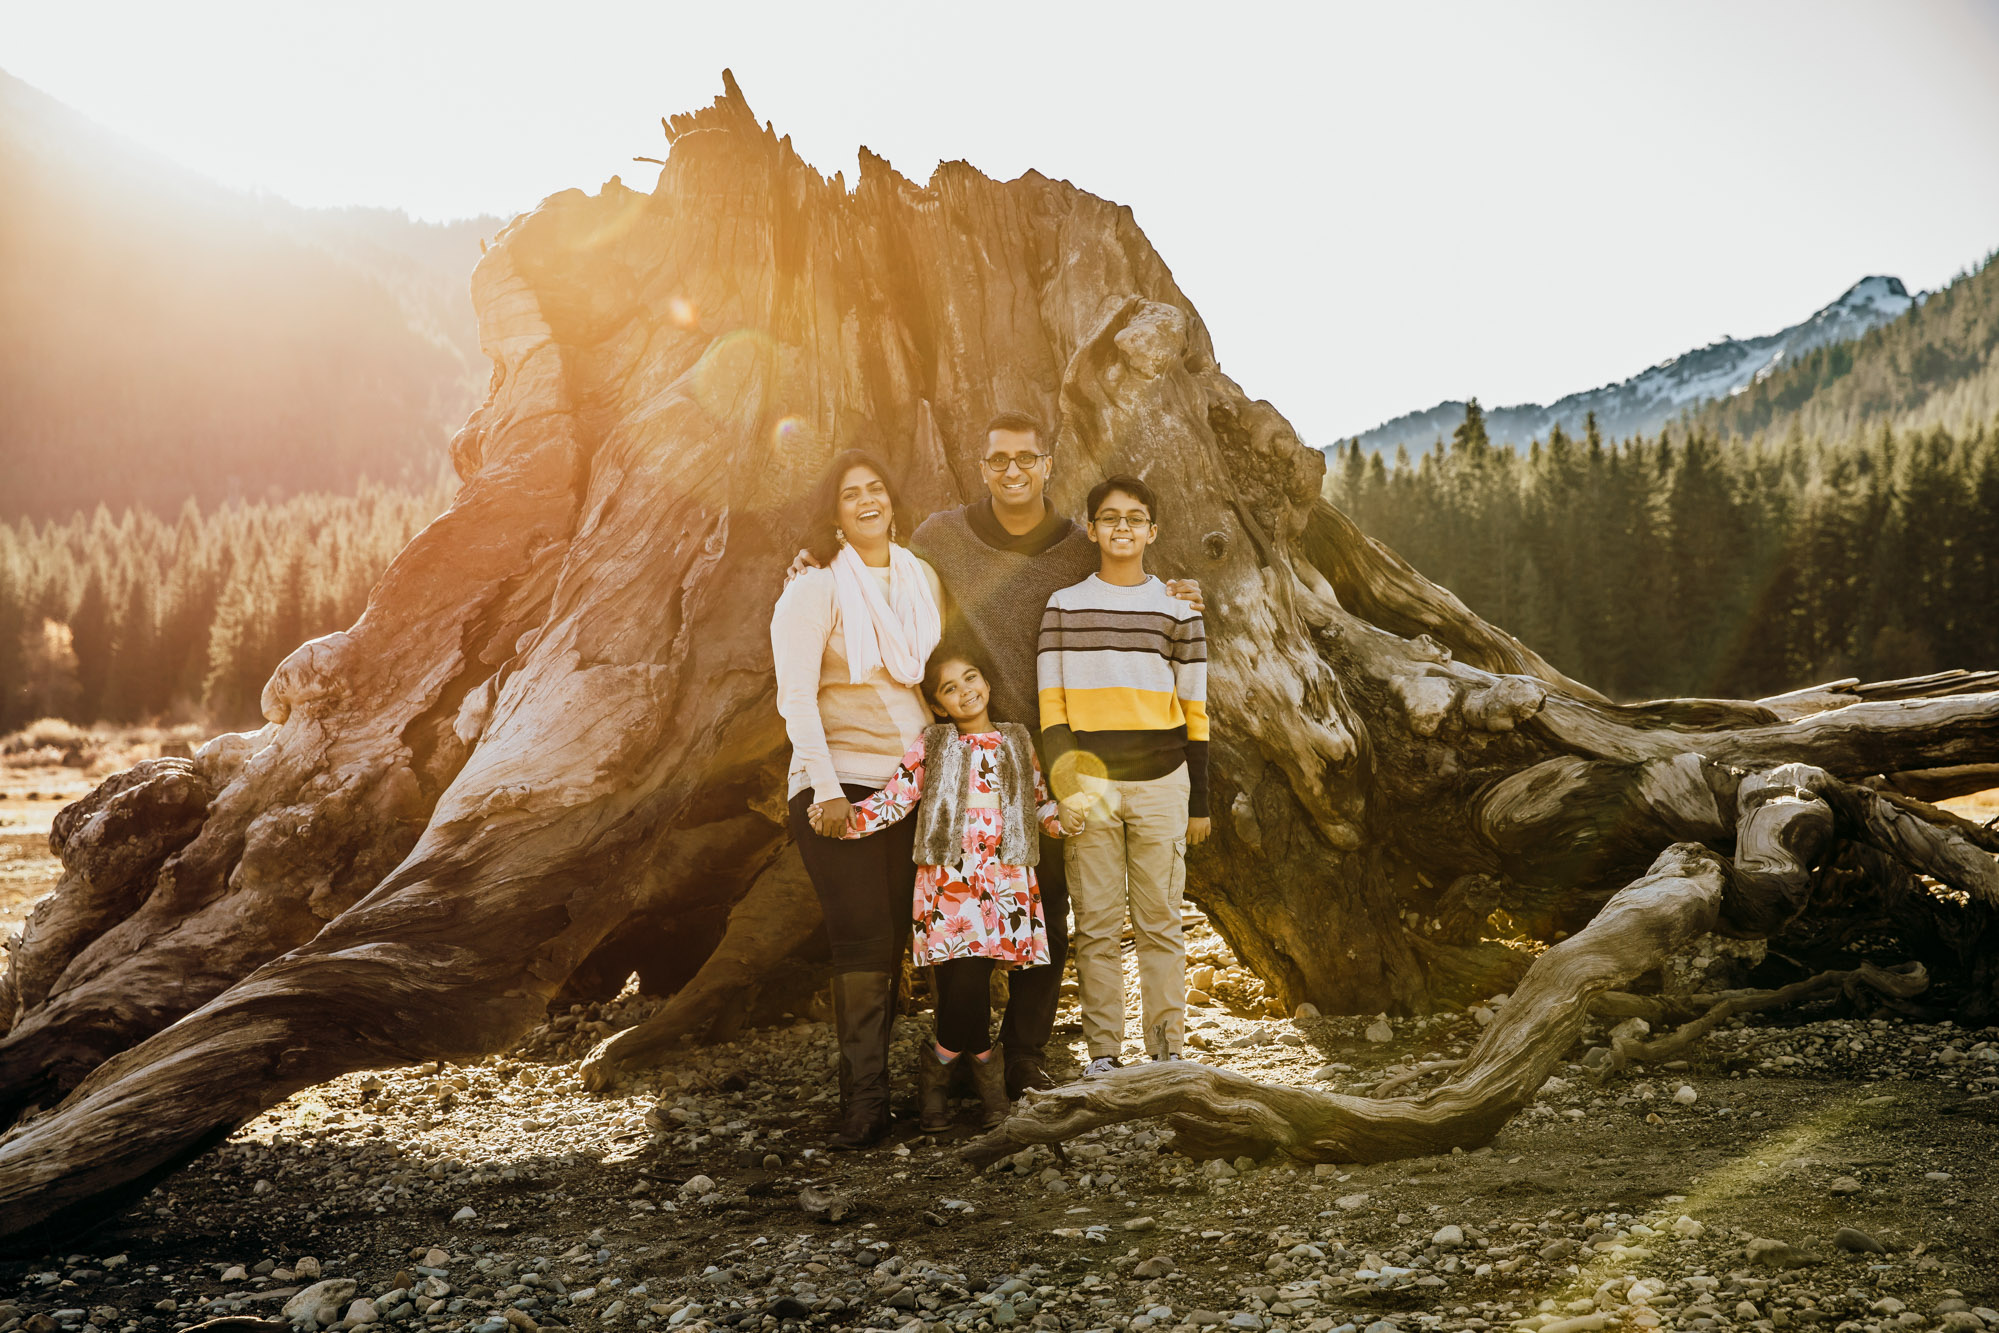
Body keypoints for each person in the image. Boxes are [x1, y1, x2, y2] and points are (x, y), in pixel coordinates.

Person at [790, 410, 1201, 1095]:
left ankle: (1027, 1049)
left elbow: (1125, 586)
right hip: (963, 759)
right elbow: (882, 573)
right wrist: (816, 564)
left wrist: (1183, 591)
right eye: (998, 459)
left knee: (1049, 903)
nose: (1013, 470)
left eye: (1026, 458)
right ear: (982, 468)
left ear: (1047, 464)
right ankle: (963, 1051)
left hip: (1050, 753)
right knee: (964, 918)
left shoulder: (1076, 546)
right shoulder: (939, 537)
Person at [819, 640, 1078, 1130]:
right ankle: (984, 1080)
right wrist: (845, 818)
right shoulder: (933, 745)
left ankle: (937, 1073)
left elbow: (1039, 804)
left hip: (1004, 880)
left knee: (976, 977)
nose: (965, 692)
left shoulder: (1018, 740)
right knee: (962, 980)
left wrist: (1062, 820)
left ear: (987, 682)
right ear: (938, 705)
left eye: (971, 678)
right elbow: (895, 799)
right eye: (950, 689)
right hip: (950, 880)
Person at [770, 449, 943, 1148]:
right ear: (833, 510)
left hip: (916, 784)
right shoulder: (812, 590)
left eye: (876, 487)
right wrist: (825, 787)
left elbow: (928, 679)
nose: (867, 500)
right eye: (850, 494)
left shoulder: (919, 575)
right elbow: (794, 695)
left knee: (905, 937)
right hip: (840, 787)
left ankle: (914, 1089)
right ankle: (864, 1106)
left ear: (892, 498)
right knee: (863, 938)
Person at [1036, 473, 1211, 1075]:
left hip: (1165, 781)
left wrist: (1200, 802)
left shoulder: (1178, 608)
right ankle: (1105, 1054)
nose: (1122, 527)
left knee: (1161, 919)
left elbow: (1196, 710)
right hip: (1092, 788)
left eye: (1135, 517)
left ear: (1152, 530)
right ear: (1091, 529)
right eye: (1109, 517)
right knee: (1098, 924)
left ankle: (1166, 1050)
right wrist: (1067, 789)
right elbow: (1051, 708)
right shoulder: (1063, 606)